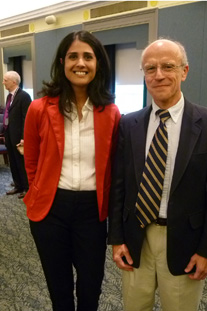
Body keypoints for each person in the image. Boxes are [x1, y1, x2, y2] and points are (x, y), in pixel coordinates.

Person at [108, 38, 207, 311]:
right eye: (150, 69)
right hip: (136, 237)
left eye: (168, 66)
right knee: (134, 307)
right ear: (144, 75)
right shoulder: (129, 123)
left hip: (186, 241)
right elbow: (119, 186)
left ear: (184, 72)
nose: (159, 75)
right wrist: (116, 239)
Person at [23, 30, 121, 311]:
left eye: (88, 57)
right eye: (73, 56)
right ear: (62, 63)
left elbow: (113, 166)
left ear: (98, 63)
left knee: (91, 286)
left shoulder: (110, 112)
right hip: (50, 210)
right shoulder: (39, 108)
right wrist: (38, 190)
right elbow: (31, 160)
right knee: (59, 288)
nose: (81, 63)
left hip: (92, 212)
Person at [3, 71, 31, 199]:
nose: (3, 82)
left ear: (13, 82)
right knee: (13, 162)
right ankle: (18, 185)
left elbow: (27, 118)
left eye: (5, 80)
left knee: (21, 162)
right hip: (9, 134)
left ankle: (27, 187)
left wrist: (24, 137)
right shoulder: (9, 96)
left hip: (19, 136)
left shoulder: (24, 96)